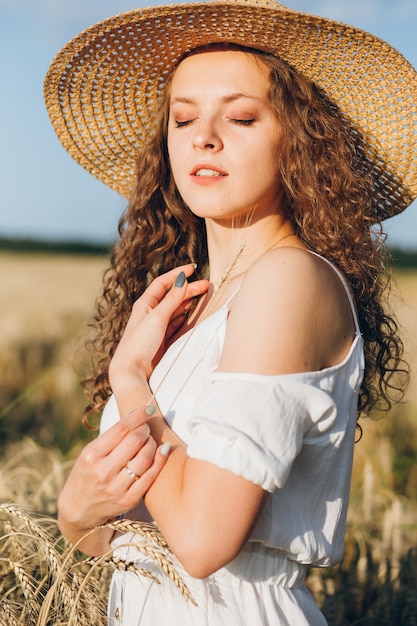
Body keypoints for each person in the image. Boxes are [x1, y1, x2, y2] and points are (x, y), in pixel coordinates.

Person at [44, 0, 417, 624]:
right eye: (183, 117)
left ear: (300, 141)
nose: (204, 136)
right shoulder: (193, 301)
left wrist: (131, 381)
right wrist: (77, 510)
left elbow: (201, 540)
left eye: (241, 117)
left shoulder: (290, 281)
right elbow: (128, 548)